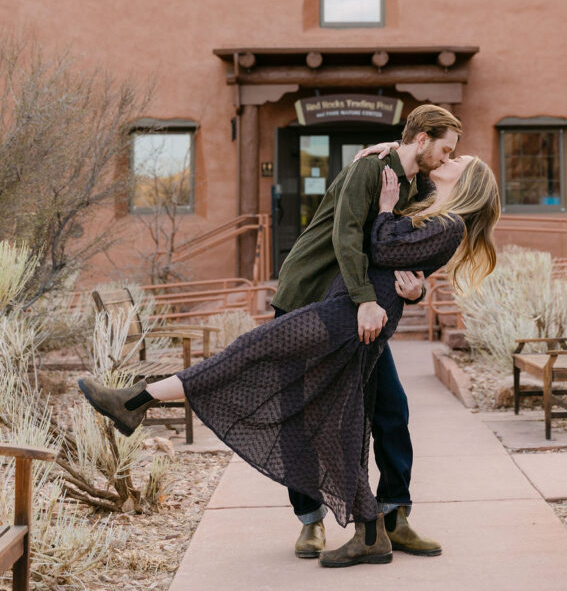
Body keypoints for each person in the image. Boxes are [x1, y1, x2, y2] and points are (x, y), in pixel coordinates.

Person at [78, 151, 500, 568]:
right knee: (335, 420)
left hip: (350, 318)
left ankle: (136, 401)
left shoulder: (443, 220)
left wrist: (405, 259)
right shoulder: (412, 193)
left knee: (257, 360)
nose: (448, 158)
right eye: (448, 150)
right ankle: (363, 530)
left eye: (456, 159)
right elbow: (399, 196)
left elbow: (385, 247)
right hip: (330, 304)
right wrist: (379, 154)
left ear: (466, 183)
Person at [271, 103, 461, 561]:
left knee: (390, 410)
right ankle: (310, 521)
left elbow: (404, 243)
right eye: (446, 148)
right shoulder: (369, 170)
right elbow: (347, 236)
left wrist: (417, 287)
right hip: (312, 297)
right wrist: (366, 300)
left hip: (357, 311)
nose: (449, 157)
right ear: (421, 139)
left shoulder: (418, 185)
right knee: (302, 413)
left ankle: (395, 515)